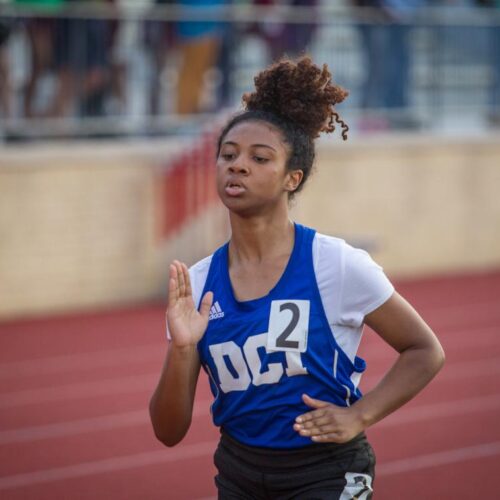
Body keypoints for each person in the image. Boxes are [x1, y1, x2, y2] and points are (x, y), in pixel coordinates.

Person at [149, 56, 445, 499]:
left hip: (327, 471)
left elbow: (425, 350)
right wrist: (184, 349)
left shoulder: (337, 264)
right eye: (227, 155)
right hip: (238, 473)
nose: (238, 165)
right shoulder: (199, 282)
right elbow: (168, 431)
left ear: (293, 177)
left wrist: (360, 415)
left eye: (259, 157)